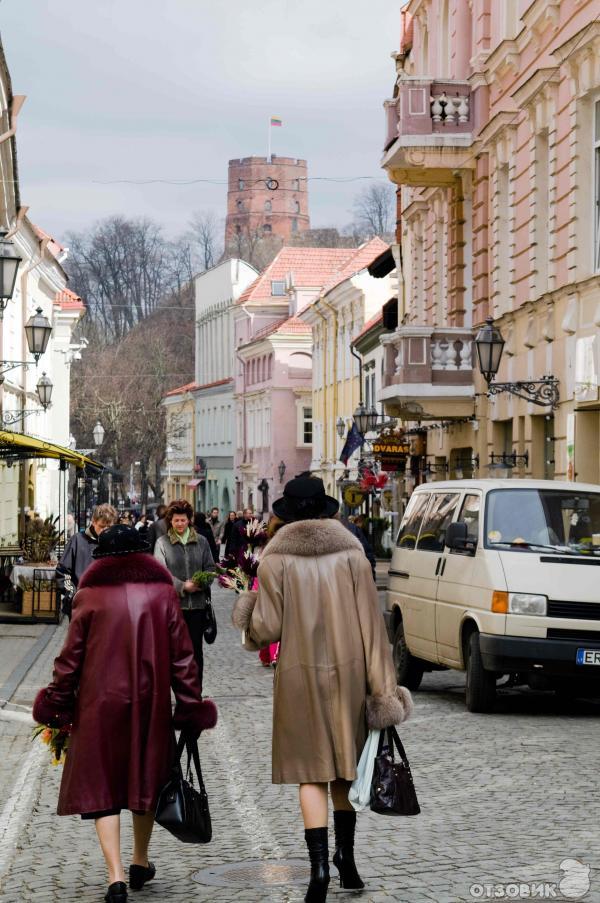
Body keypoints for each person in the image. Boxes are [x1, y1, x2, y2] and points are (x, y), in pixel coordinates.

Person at [232, 475, 412, 903]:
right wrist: (383, 690)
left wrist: (247, 616)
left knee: (309, 773)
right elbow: (373, 625)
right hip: (350, 674)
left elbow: (267, 627)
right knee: (343, 770)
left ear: (288, 514)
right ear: (327, 510)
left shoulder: (275, 560)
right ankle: (346, 861)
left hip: (298, 675)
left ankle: (317, 872)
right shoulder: (352, 554)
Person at [33, 524, 217, 903]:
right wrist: (190, 706)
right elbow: (184, 658)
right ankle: (139, 860)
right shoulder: (163, 593)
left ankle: (115, 877)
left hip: (98, 704)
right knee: (145, 778)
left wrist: (57, 700)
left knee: (104, 787)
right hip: (149, 703)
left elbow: (69, 660)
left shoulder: (89, 596)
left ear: (102, 556)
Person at [154, 500, 215, 683]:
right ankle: (180, 691)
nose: (180, 524)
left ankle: (196, 693)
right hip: (174, 609)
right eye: (176, 521)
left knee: (196, 652)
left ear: (189, 520)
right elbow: (160, 574)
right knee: (175, 653)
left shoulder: (201, 542)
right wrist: (182, 586)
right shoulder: (162, 543)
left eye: (183, 520)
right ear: (170, 522)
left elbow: (211, 568)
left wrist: (201, 582)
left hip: (197, 608)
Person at [55, 504, 118, 619]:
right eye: (102, 526)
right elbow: (63, 572)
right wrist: (73, 595)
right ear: (93, 521)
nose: (105, 531)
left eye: (109, 527)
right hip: (81, 608)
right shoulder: (77, 540)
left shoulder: (115, 543)